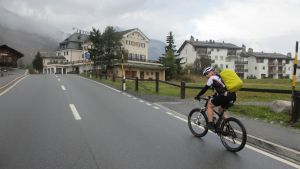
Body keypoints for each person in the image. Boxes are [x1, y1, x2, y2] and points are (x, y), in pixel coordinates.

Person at [194, 67, 236, 131]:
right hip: (232, 96)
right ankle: (228, 127)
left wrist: (198, 96)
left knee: (209, 105)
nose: (206, 76)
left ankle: (210, 124)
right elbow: (219, 90)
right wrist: (212, 96)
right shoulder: (220, 77)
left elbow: (205, 89)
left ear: (209, 72)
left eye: (206, 74)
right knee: (221, 109)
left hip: (224, 96)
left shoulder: (212, 78)